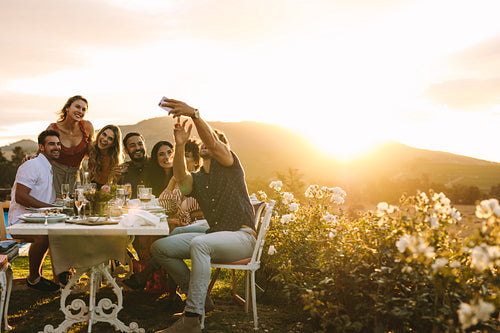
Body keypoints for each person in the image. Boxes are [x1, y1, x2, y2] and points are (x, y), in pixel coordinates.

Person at [152, 99, 256, 333]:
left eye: (216, 142)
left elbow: (213, 142)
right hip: (217, 236)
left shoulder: (231, 165)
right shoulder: (198, 178)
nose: (209, 144)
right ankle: (202, 300)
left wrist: (195, 115)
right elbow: (181, 178)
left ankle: (192, 318)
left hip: (242, 238)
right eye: (205, 142)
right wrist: (179, 145)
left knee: (199, 244)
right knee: (160, 248)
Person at [8, 130, 62, 292]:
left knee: (65, 232)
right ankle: (33, 278)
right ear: (41, 147)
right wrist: (50, 208)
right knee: (43, 235)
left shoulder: (50, 169)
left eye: (58, 144)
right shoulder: (32, 165)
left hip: (41, 220)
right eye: (51, 143)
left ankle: (64, 274)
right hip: (21, 221)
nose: (56, 147)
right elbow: (20, 197)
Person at [47, 95, 94, 197]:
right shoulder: (52, 129)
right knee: (56, 208)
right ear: (67, 108)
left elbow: (93, 153)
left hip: (77, 176)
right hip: (55, 175)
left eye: (83, 109)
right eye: (77, 107)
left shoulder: (87, 127)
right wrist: (30, 159)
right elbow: (43, 153)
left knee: (76, 207)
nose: (80, 111)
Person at [119, 132, 148, 198]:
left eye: (140, 144)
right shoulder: (122, 171)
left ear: (145, 146)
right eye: (132, 146)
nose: (137, 148)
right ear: (126, 151)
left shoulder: (156, 164)